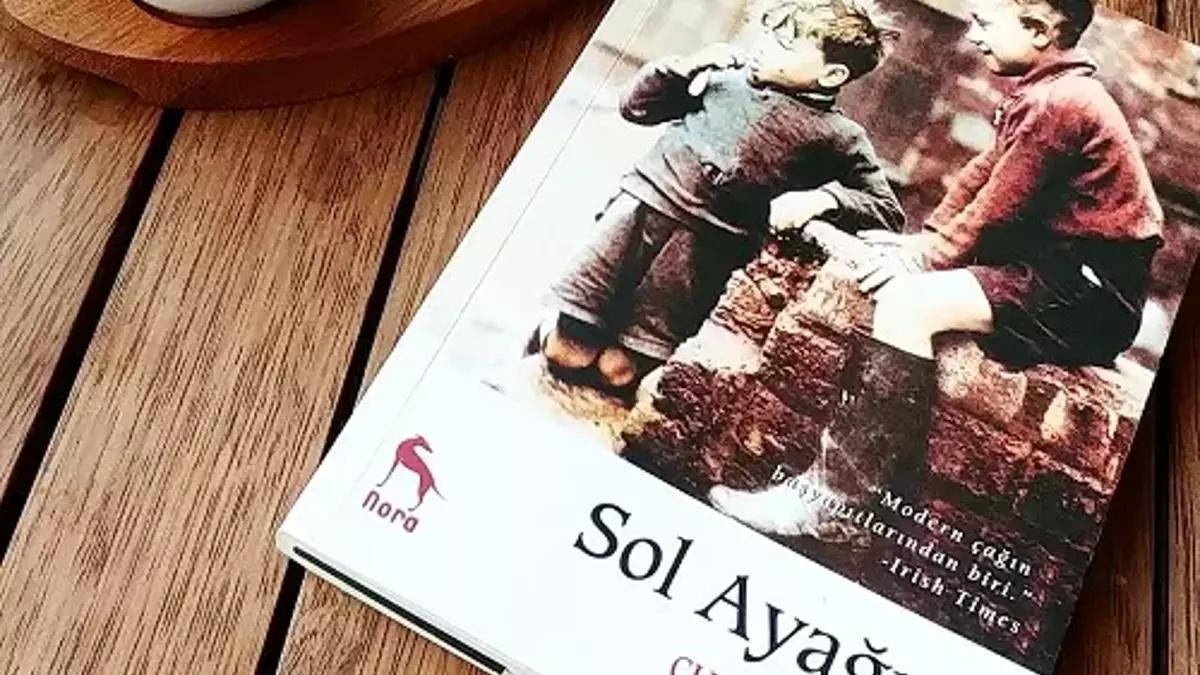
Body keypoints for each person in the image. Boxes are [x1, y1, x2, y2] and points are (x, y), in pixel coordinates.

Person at [709, 0, 1163, 541]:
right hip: (1057, 271)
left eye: (986, 25)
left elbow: (1000, 207)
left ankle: (839, 504)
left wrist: (926, 258)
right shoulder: (1048, 91)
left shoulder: (1061, 103)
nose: (975, 36)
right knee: (911, 285)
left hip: (1089, 293)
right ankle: (855, 495)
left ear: (1040, 32)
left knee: (909, 305)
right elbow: (981, 176)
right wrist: (923, 243)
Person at [539, 0, 904, 394]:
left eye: (784, 44)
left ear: (831, 74)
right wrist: (683, 69)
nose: (763, 45)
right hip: (637, 215)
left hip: (701, 255)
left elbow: (887, 211)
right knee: (566, 353)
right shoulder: (725, 78)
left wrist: (826, 199)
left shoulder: (841, 136)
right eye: (768, 32)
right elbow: (635, 108)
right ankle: (547, 341)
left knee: (617, 372)